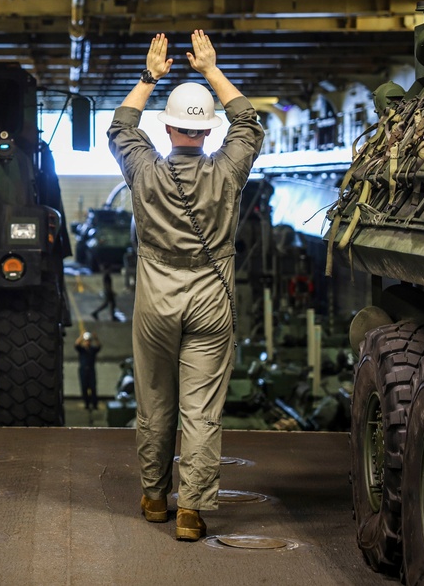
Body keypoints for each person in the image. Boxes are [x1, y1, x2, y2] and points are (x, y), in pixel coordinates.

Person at [107, 30, 264, 541]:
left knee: (155, 402)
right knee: (201, 410)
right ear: (208, 130)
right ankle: (191, 511)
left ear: (168, 127)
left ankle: (155, 498)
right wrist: (211, 70)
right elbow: (248, 122)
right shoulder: (228, 170)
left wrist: (150, 76)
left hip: (156, 298)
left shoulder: (143, 169)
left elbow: (121, 125)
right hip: (211, 298)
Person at [74, 331, 101, 410]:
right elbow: (76, 344)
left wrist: (96, 338)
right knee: (84, 387)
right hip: (83, 370)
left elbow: (99, 346)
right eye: (86, 341)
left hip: (91, 370)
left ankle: (94, 404)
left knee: (93, 387)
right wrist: (81, 336)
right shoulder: (81, 350)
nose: (87, 342)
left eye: (88, 341)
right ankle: (87, 404)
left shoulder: (92, 349)